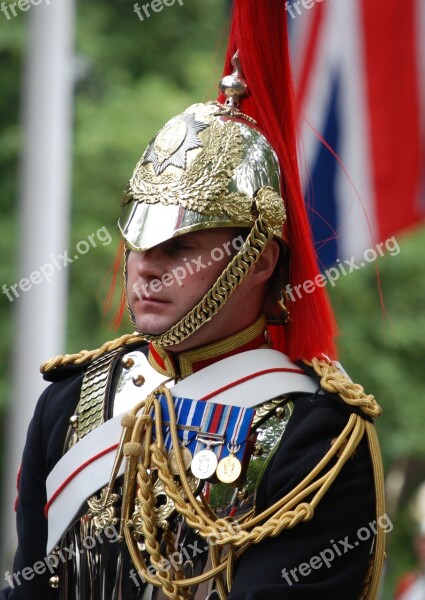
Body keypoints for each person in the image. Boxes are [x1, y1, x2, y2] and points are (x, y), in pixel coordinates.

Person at [1, 1, 386, 598]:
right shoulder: (70, 401)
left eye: (180, 248)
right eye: (139, 240)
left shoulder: (315, 434)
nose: (146, 267)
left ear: (258, 259)